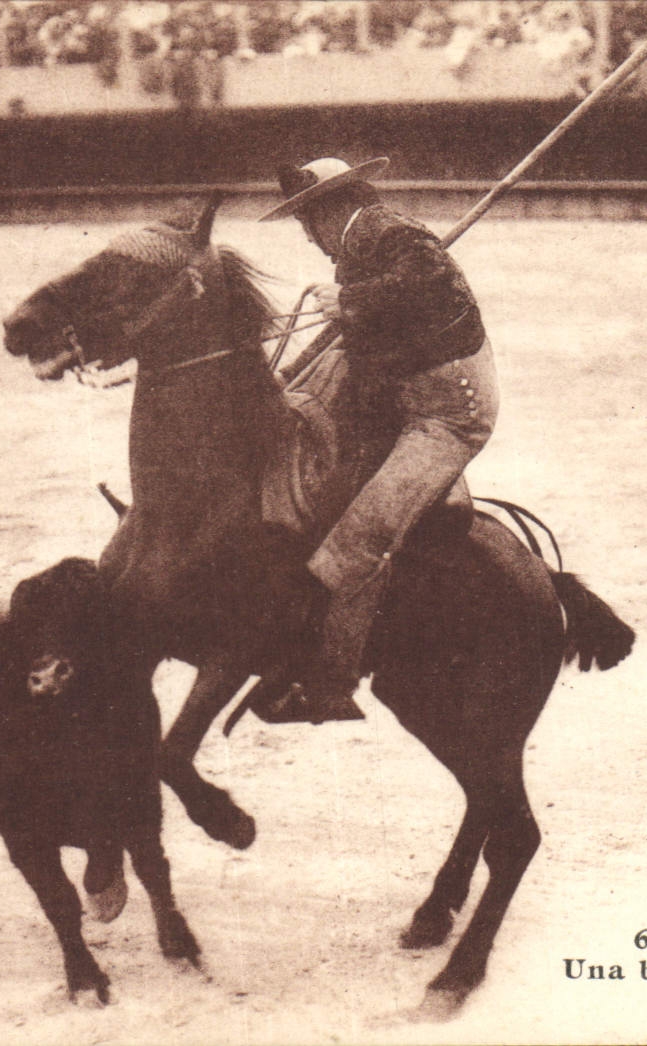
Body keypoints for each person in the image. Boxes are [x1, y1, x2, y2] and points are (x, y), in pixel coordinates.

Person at [259, 157, 496, 723]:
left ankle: (332, 682)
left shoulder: (385, 230)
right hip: (396, 393)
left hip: (448, 414)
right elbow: (345, 336)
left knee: (362, 534)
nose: (306, 235)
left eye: (304, 222)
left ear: (326, 211)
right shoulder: (356, 247)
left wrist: (354, 303)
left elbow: (436, 281)